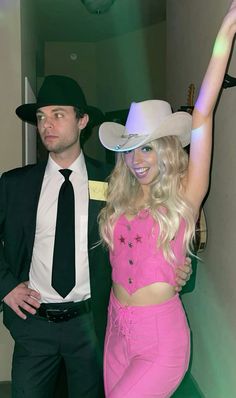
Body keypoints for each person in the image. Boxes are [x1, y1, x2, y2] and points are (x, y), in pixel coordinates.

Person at [0, 75, 191, 398]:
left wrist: (178, 267)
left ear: (82, 119)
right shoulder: (15, 184)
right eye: (42, 117)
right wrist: (5, 286)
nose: (47, 124)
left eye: (58, 114)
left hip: (92, 324)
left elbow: (157, 222)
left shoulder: (115, 181)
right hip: (34, 324)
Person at [98, 2, 236, 397]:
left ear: (167, 150)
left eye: (148, 149)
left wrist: (224, 34)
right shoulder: (117, 197)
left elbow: (203, 116)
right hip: (115, 328)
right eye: (132, 150)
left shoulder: (185, 196)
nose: (137, 160)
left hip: (160, 339)